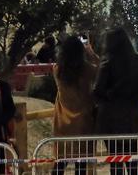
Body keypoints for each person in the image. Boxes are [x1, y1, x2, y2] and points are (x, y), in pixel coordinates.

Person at [94, 28, 138, 175]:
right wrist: (134, 90)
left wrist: (112, 92)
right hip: (133, 117)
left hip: (110, 119)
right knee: (132, 159)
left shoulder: (107, 64)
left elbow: (97, 91)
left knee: (115, 161)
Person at [52, 36, 99, 175]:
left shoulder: (57, 69)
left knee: (60, 162)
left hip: (62, 121)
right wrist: (91, 54)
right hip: (84, 122)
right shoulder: (87, 69)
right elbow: (101, 69)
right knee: (81, 164)